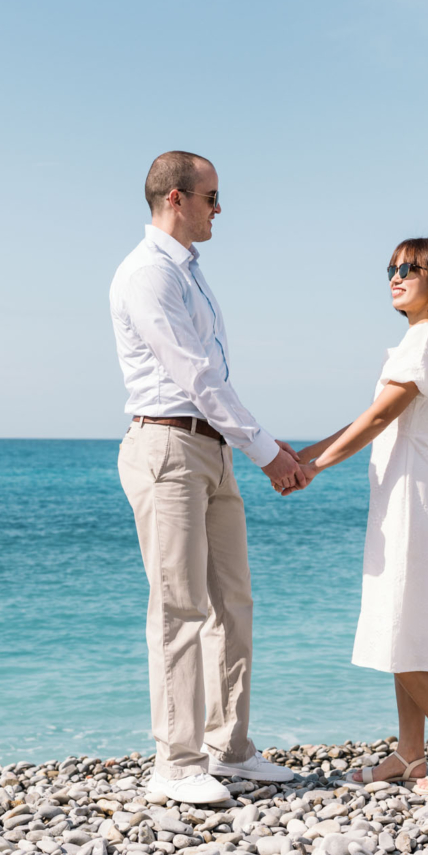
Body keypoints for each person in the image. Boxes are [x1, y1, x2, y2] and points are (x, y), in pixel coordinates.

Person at [108, 151, 306, 804]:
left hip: (211, 451)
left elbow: (211, 382)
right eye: (213, 197)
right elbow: (194, 376)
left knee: (233, 603)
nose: (219, 210)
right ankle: (175, 763)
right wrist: (270, 452)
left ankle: (231, 750)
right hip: (168, 448)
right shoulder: (147, 276)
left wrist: (243, 447)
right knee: (180, 608)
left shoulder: (190, 274)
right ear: (176, 199)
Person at [295, 237, 428, 795]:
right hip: (403, 489)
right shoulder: (419, 340)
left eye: (411, 268)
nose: (396, 276)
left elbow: (381, 417)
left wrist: (317, 467)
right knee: (404, 625)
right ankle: (410, 754)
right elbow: (370, 416)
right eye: (391, 268)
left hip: (411, 495)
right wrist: (303, 454)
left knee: (400, 628)